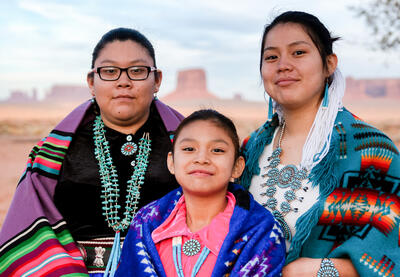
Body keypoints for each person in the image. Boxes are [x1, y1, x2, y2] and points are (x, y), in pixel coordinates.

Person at [0, 28, 183, 277]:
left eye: (137, 71)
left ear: (157, 80)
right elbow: (29, 221)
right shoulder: (53, 152)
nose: (123, 81)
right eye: (109, 71)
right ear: (91, 82)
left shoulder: (187, 145)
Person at [240, 11, 400, 277]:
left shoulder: (371, 151)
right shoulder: (248, 149)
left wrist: (321, 269)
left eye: (298, 53)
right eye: (271, 57)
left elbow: (388, 255)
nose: (283, 65)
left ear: (329, 64)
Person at [116, 109, 286, 276]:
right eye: (189, 149)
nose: (202, 158)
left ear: (237, 166)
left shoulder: (261, 232)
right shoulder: (145, 225)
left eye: (217, 150)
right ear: (171, 162)